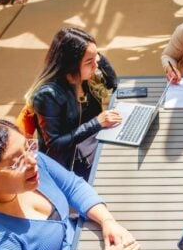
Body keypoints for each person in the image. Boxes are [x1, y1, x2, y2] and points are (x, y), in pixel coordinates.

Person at [0, 118, 140, 250]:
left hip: (91, 242)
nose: (32, 161)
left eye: (28, 147)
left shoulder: (34, 164)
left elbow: (73, 186)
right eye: (17, 162)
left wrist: (107, 221)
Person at [24, 27, 122, 180]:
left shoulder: (84, 77)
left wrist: (97, 56)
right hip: (69, 163)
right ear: (71, 65)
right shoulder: (48, 95)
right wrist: (97, 123)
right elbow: (55, 144)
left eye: (95, 59)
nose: (95, 66)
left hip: (93, 142)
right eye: (89, 62)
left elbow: (113, 83)